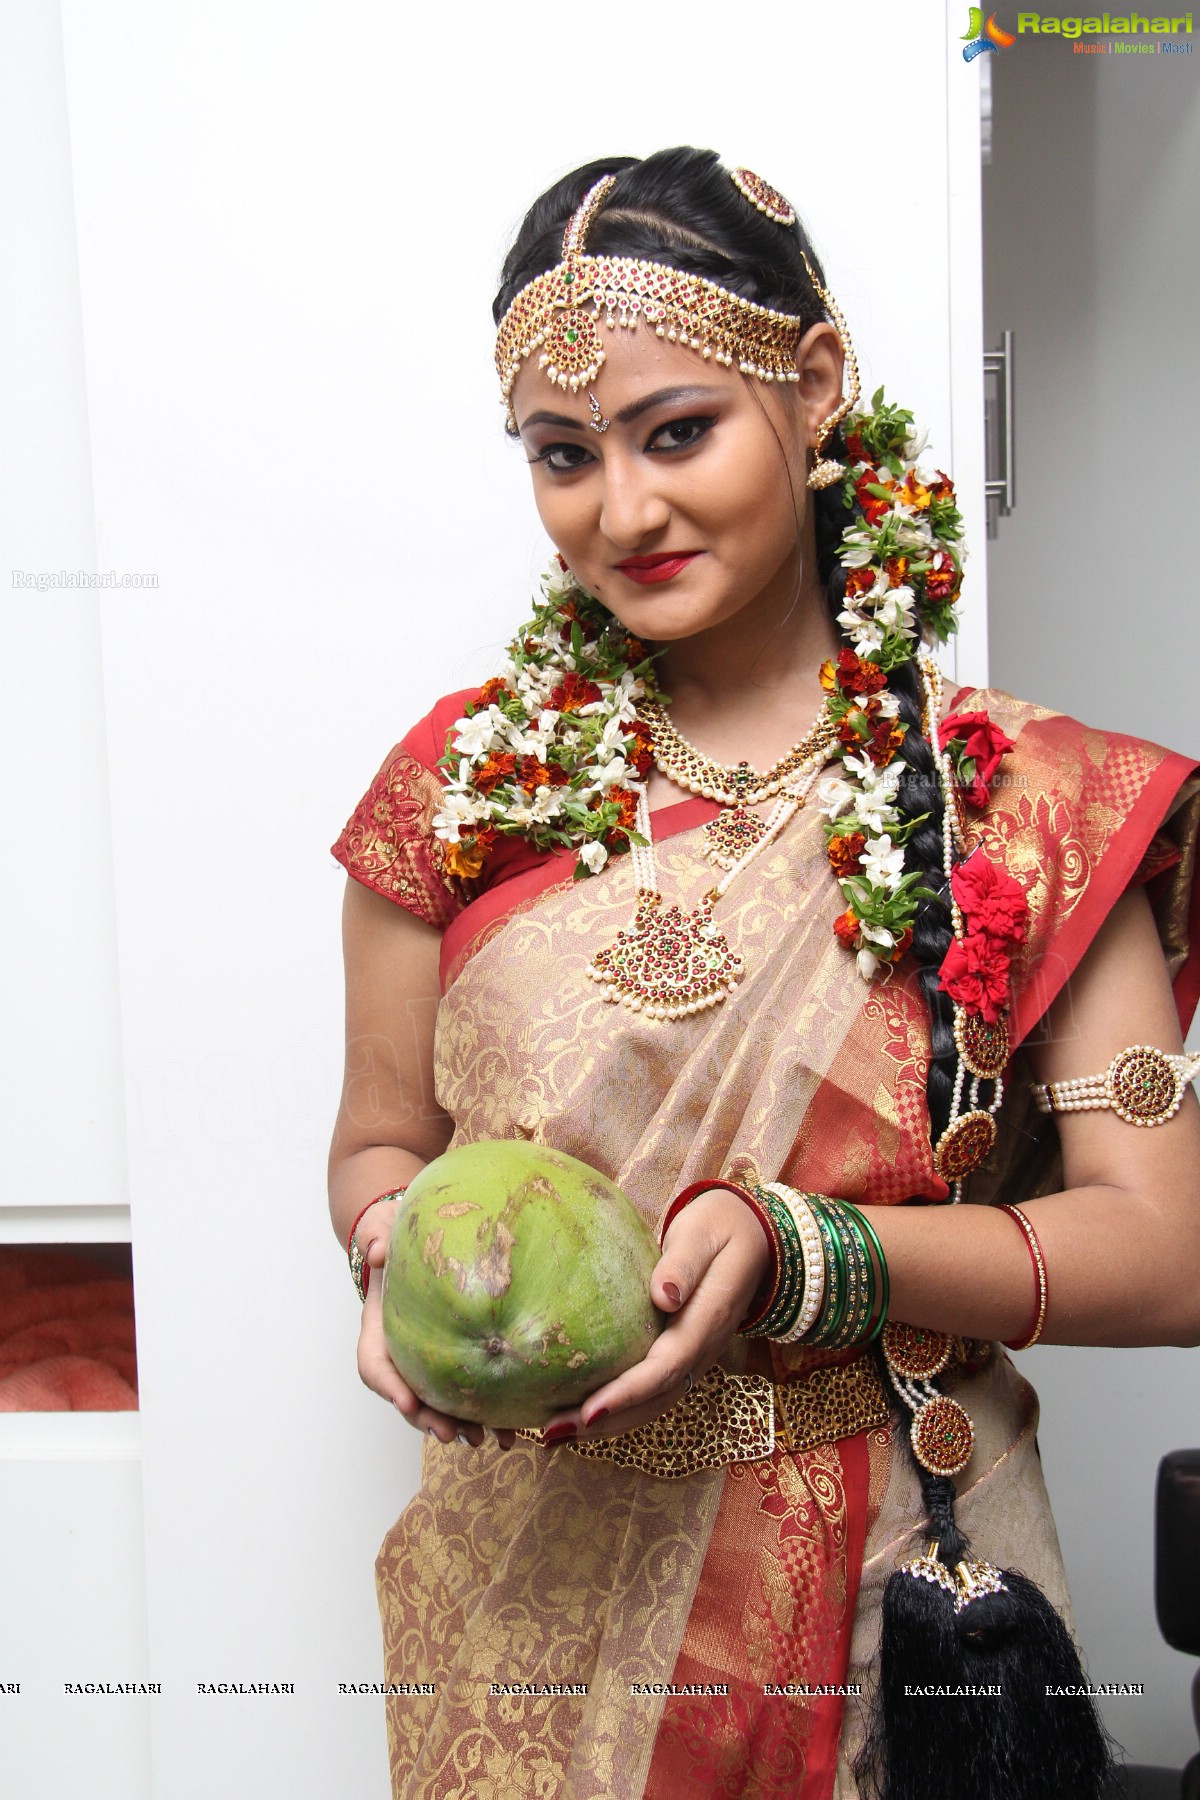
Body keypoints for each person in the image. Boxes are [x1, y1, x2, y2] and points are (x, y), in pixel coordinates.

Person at [326, 147, 1200, 1799]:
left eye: (677, 433)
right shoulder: (456, 794)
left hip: (883, 1580)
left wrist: (810, 1250)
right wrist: (393, 1261)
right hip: (534, 1602)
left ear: (810, 390)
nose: (624, 510)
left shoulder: (1025, 810)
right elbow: (379, 1145)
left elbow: (1169, 1254)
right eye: (562, 456)